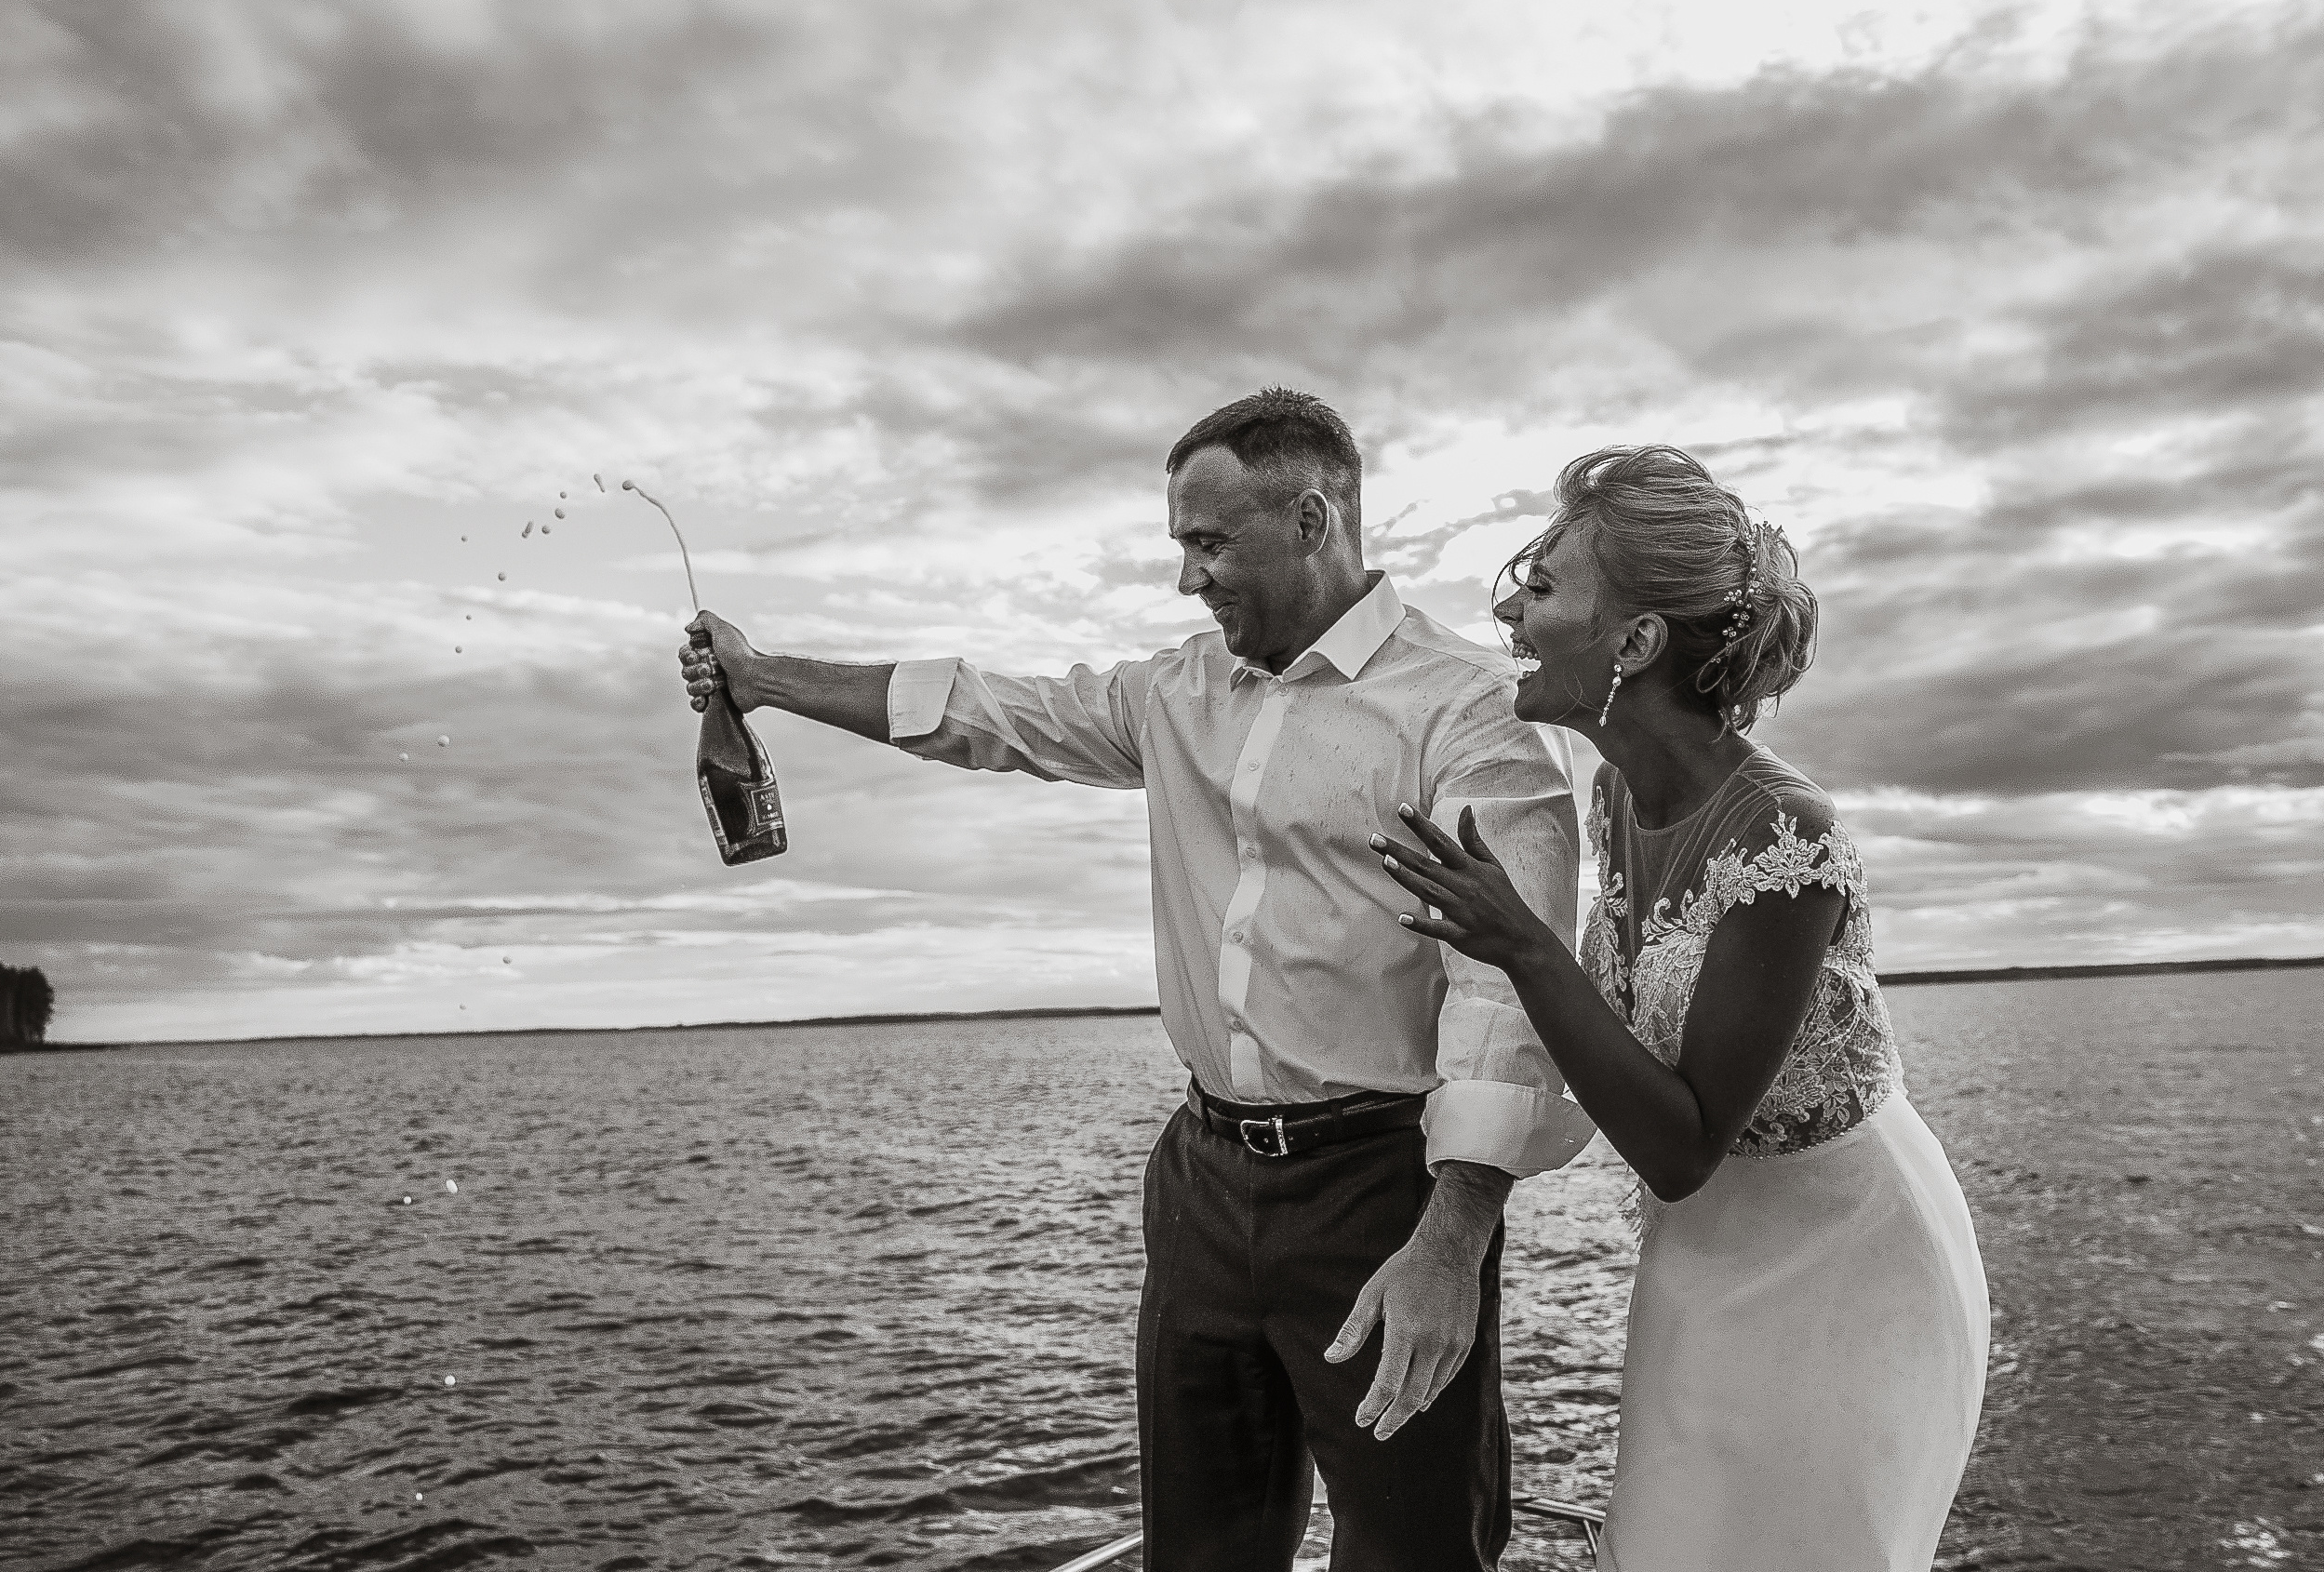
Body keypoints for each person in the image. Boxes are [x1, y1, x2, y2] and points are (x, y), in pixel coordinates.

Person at [680, 388, 1595, 1571]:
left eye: (1208, 544)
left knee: (1414, 1550)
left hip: (1384, 1191)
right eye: (1180, 545)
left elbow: (1506, 982)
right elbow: (985, 711)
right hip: (1202, 1187)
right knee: (1199, 1551)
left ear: (1313, 519)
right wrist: (763, 678)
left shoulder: (1462, 711)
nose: (1187, 579)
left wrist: (1454, 1231)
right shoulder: (1174, 694)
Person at [1371, 446, 1989, 1572]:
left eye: (1543, 585)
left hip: (1843, 1260)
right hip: (1703, 1255)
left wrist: (1516, 940)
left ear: (1637, 641)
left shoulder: (1783, 836)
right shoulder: (1614, 793)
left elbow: (1680, 1141)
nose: (1509, 609)